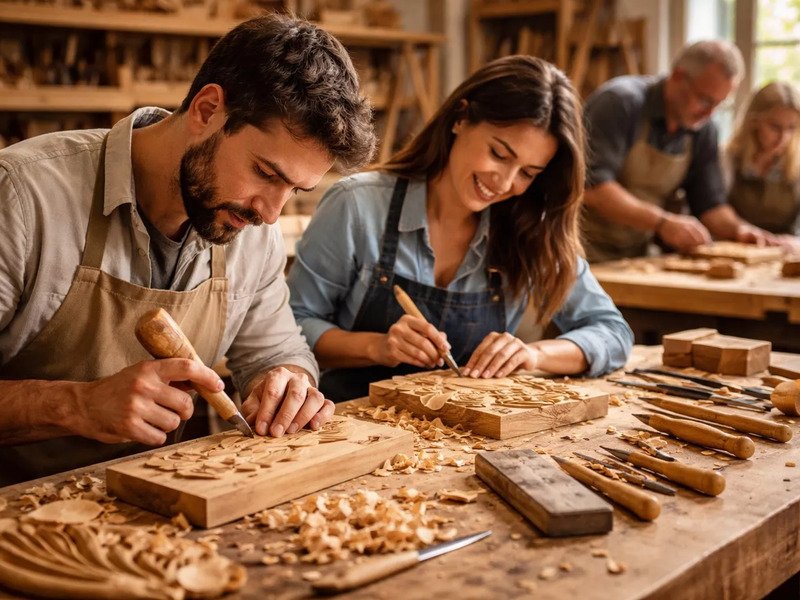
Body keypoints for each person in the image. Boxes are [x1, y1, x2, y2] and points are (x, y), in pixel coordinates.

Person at [0, 14, 376, 484]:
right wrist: (76, 405)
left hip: (161, 502)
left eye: (295, 190)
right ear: (206, 110)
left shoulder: (249, 226)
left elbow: (276, 351)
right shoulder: (22, 196)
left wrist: (287, 384)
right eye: (266, 173)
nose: (270, 214)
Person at [287, 55, 633, 402]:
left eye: (528, 173)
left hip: (464, 429)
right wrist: (376, 347)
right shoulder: (357, 205)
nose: (505, 183)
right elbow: (291, 328)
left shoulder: (529, 227)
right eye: (499, 154)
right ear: (461, 118)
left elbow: (613, 332)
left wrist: (535, 354)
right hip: (349, 420)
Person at [581, 39, 778, 262]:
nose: (709, 114)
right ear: (677, 76)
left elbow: (709, 204)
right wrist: (662, 223)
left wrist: (740, 230)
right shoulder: (621, 103)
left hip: (634, 254)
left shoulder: (703, 130)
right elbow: (593, 186)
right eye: (705, 100)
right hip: (582, 248)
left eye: (718, 105)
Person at [724, 81, 800, 247]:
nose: (783, 138)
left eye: (791, 128)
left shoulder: (796, 166)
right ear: (754, 122)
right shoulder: (726, 160)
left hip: (784, 251)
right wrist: (742, 230)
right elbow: (713, 210)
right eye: (775, 127)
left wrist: (796, 242)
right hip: (736, 248)